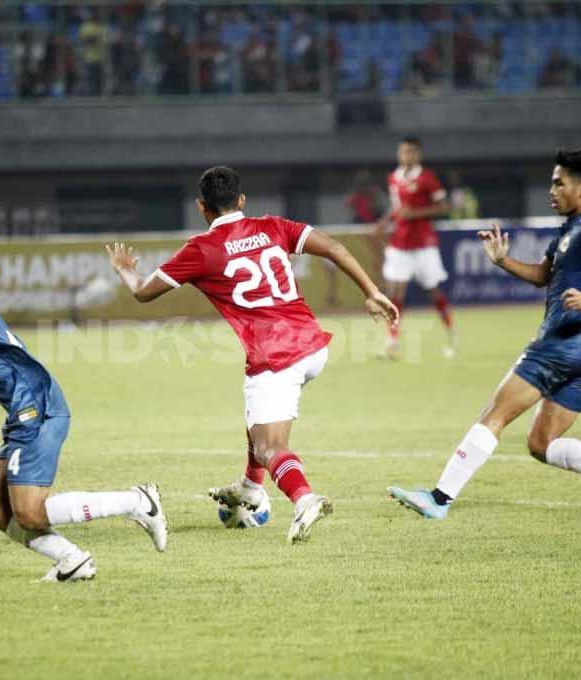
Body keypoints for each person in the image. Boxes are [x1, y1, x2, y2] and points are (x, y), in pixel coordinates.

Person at [106, 166, 398, 544]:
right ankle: (249, 486)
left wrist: (125, 270)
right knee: (256, 415)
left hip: (276, 358)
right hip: (312, 345)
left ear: (201, 207)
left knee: (269, 447)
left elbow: (143, 291)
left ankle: (303, 497)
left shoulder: (201, 250)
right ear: (242, 200)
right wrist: (371, 291)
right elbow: (336, 248)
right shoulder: (272, 227)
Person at [387, 149, 581, 520]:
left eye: (560, 183)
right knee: (541, 443)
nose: (552, 190)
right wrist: (503, 260)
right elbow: (544, 276)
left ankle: (439, 500)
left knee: (494, 414)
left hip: (559, 344)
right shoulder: (572, 230)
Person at [0, 237, 167, 582]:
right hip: (26, 407)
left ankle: (136, 502)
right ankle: (71, 560)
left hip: (37, 408)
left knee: (27, 512)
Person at [377, 136, 456, 359]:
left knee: (433, 291)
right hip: (399, 243)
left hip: (423, 244)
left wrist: (416, 214)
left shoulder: (427, 177)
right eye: (403, 152)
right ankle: (392, 341)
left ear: (418, 154)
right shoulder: (394, 177)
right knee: (394, 293)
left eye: (411, 152)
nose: (406, 156)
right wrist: (384, 222)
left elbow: (444, 206)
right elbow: (397, 208)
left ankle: (451, 333)